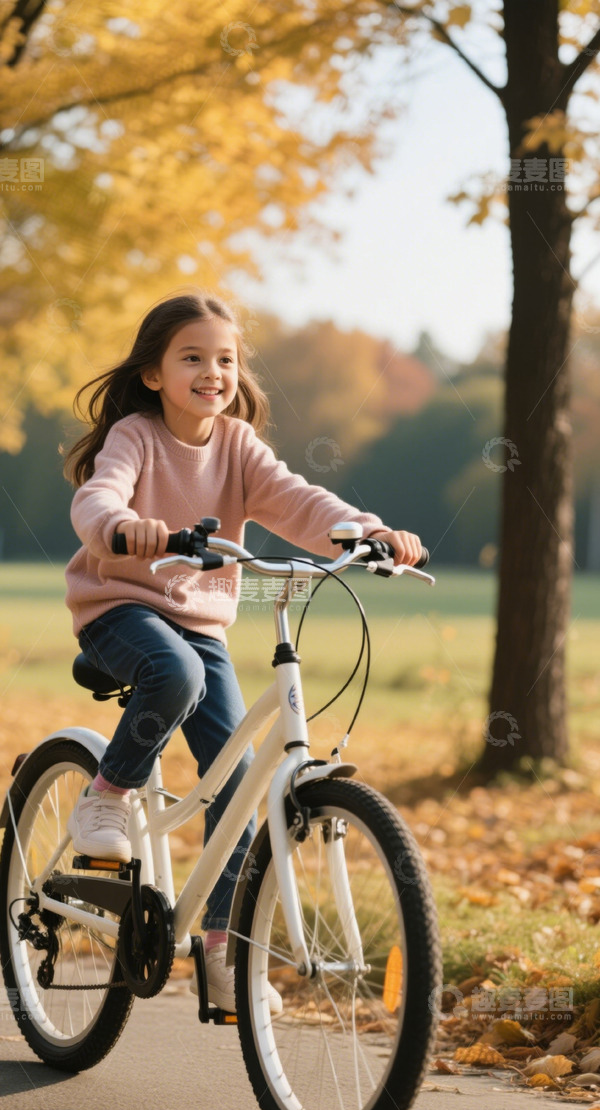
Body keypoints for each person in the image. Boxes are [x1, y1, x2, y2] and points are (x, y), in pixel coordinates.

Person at [62, 291, 424, 1012]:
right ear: (156, 373)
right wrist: (124, 526)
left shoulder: (236, 444)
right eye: (192, 357)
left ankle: (224, 948)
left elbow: (297, 500)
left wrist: (366, 530)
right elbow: (98, 496)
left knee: (238, 785)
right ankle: (107, 795)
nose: (212, 372)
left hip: (201, 620)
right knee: (176, 671)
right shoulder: (135, 434)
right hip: (120, 607)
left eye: (224, 359)